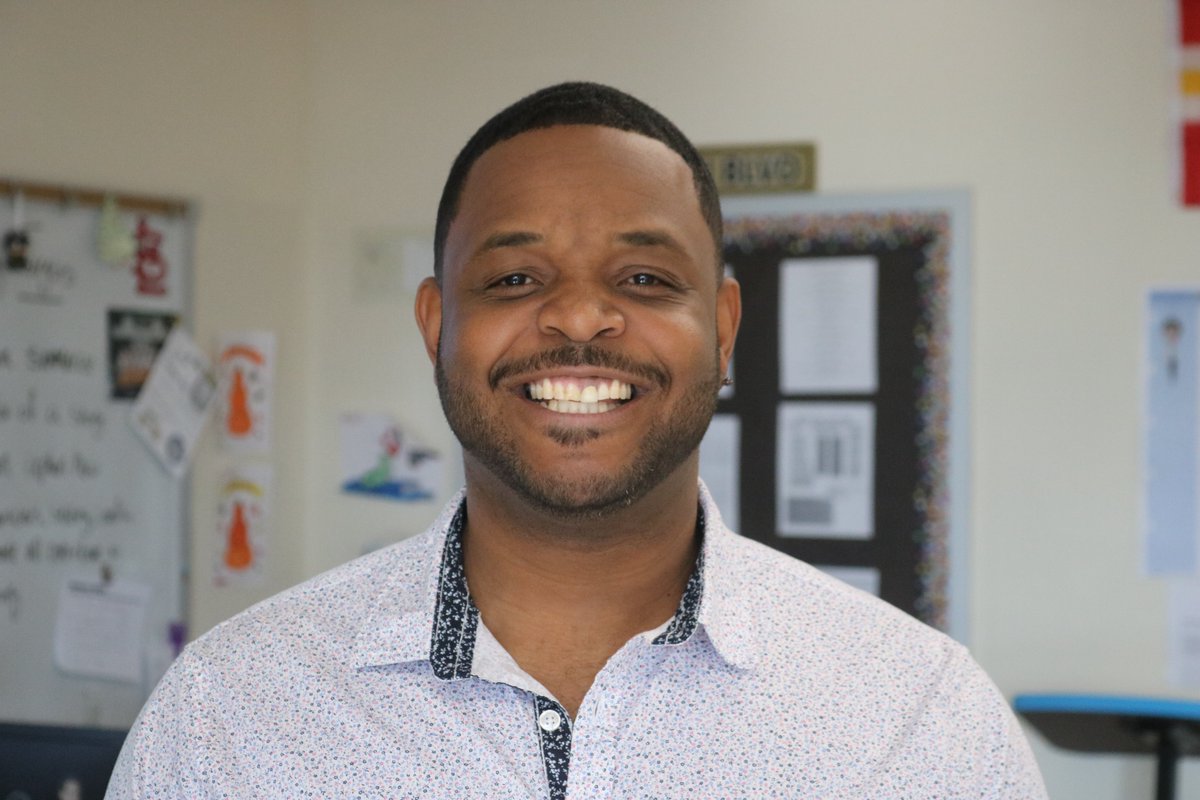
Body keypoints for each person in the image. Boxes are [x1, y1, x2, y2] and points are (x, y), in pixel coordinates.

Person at [106, 82, 1047, 799]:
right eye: (516, 279)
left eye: (643, 279)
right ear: (437, 326)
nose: (582, 318)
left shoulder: (916, 723)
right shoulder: (229, 718)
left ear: (722, 328)